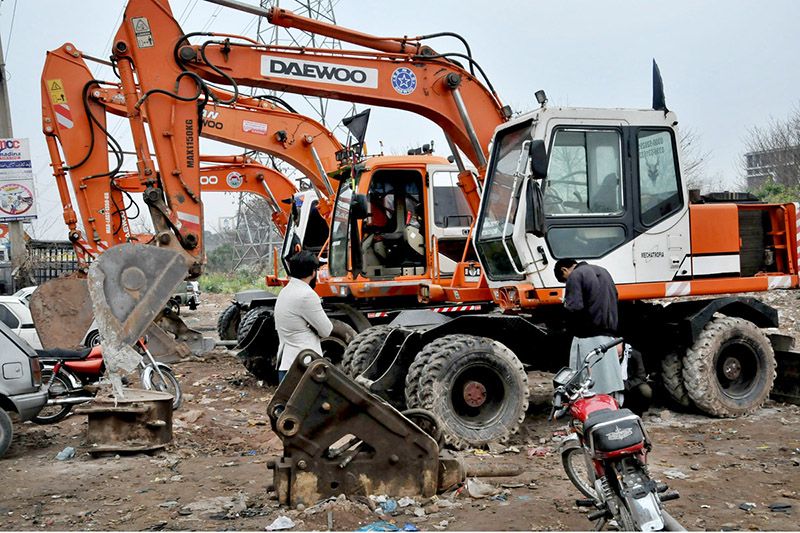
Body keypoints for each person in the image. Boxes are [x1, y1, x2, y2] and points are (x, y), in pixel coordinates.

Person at [555, 258, 624, 396]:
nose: (566, 283)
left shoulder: (576, 275)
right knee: (608, 379)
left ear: (564, 269)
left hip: (587, 335)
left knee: (589, 382)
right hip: (608, 335)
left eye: (564, 280)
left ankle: (592, 411)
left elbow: (574, 307)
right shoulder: (604, 272)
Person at [274, 250, 333, 383]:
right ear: (313, 272)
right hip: (303, 366)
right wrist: (313, 326)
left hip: (286, 362)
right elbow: (326, 330)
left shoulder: (285, 292)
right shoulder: (307, 295)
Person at [619, 343, 653, 415]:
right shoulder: (605, 355)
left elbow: (641, 376)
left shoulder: (635, 354)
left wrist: (624, 385)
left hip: (629, 386)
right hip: (611, 387)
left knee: (645, 390)